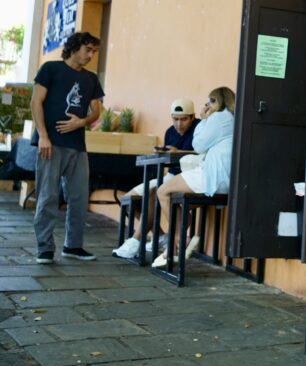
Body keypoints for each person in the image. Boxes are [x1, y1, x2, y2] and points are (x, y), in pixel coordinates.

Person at [30, 31, 105, 264]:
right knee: (48, 196)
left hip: (77, 146)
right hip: (50, 143)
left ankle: (73, 246)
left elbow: (96, 110)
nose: (91, 55)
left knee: (79, 197)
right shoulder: (50, 69)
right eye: (88, 50)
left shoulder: (91, 79)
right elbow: (35, 101)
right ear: (74, 47)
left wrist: (81, 122)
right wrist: (43, 135)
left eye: (94, 51)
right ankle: (44, 247)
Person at [150, 87, 235, 268]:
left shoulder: (219, 118)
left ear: (216, 101)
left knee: (163, 191)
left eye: (209, 102)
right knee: (172, 196)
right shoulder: (233, 117)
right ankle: (179, 236)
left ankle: (176, 239)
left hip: (214, 174)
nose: (208, 106)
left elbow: (198, 145)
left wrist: (204, 120)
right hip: (226, 176)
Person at [112, 97, 202, 259]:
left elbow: (203, 155)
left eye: (184, 119)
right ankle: (160, 237)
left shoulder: (200, 128)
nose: (179, 124)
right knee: (128, 200)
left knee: (154, 192)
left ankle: (135, 241)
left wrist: (178, 152)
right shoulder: (169, 131)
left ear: (193, 117)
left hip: (190, 176)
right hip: (172, 176)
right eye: (175, 119)